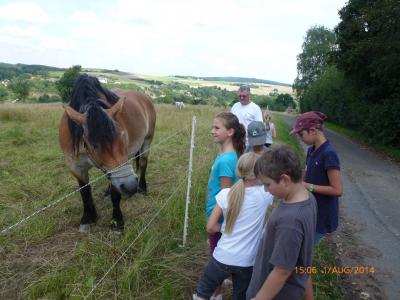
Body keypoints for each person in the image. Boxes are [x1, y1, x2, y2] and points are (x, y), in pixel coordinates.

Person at [194, 152, 274, 300]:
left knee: (203, 293)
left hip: (221, 257)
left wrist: (224, 229)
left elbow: (210, 227)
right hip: (248, 262)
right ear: (260, 173)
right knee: (241, 296)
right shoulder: (265, 194)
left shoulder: (225, 194)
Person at [246, 145, 317, 300]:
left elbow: (282, 271)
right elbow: (303, 258)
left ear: (285, 179)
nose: (265, 190)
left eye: (267, 184)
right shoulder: (308, 198)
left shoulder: (290, 221)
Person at [290, 111, 343, 300]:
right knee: (300, 260)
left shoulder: (329, 155)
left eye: (301, 134)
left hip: (322, 217)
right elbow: (307, 176)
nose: (300, 137)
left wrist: (308, 186)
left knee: (301, 261)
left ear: (313, 130)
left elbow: (337, 189)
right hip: (310, 212)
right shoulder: (312, 150)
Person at [205, 112, 246, 299]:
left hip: (218, 219)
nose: (212, 131)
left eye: (217, 128)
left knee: (216, 258)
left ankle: (215, 294)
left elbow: (225, 197)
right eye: (213, 127)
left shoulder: (227, 160)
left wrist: (214, 223)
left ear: (230, 132)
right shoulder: (228, 155)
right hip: (219, 218)